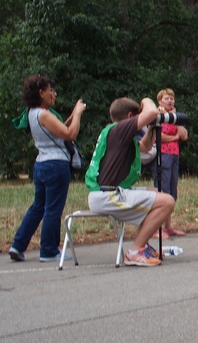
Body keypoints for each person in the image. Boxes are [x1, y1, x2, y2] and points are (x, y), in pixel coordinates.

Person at [86, 97, 175, 266]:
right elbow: (151, 112)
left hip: (108, 192)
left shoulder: (117, 134)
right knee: (167, 202)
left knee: (156, 193)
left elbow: (146, 147)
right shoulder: (120, 129)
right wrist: (147, 101)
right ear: (129, 116)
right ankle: (135, 250)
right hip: (108, 195)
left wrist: (152, 127)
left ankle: (143, 245)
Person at [9, 74, 86, 262]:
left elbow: (57, 131)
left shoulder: (32, 113)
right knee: (53, 208)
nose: (54, 94)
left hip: (42, 163)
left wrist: (68, 119)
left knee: (38, 207)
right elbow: (70, 134)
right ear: (40, 92)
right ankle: (49, 250)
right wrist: (77, 114)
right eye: (50, 90)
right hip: (56, 164)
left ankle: (18, 245)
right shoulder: (44, 114)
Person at [151, 88, 188, 239]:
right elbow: (157, 137)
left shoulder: (173, 117)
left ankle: (168, 226)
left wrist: (175, 118)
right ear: (160, 101)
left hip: (174, 155)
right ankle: (155, 228)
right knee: (162, 190)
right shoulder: (157, 116)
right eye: (166, 98)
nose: (169, 101)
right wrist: (174, 138)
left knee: (172, 191)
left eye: (171, 98)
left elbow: (184, 135)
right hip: (162, 155)